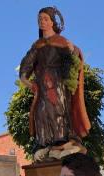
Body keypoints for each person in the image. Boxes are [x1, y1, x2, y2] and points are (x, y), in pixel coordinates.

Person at [19, 7, 91, 161]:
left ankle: (63, 143)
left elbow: (75, 59)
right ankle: (46, 144)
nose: (42, 22)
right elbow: (26, 66)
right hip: (42, 83)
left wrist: (74, 50)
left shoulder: (62, 41)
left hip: (59, 83)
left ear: (52, 22)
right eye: (40, 19)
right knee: (41, 112)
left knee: (59, 109)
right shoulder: (37, 45)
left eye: (45, 18)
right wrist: (28, 82)